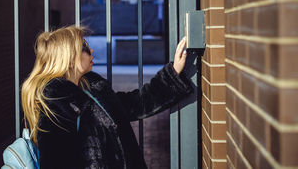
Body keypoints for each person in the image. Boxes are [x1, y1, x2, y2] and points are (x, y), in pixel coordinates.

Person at [21, 26, 192, 168]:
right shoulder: (55, 103)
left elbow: (137, 103)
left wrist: (173, 72)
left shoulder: (92, 89)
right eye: (85, 48)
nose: (92, 50)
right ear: (70, 59)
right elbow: (55, 163)